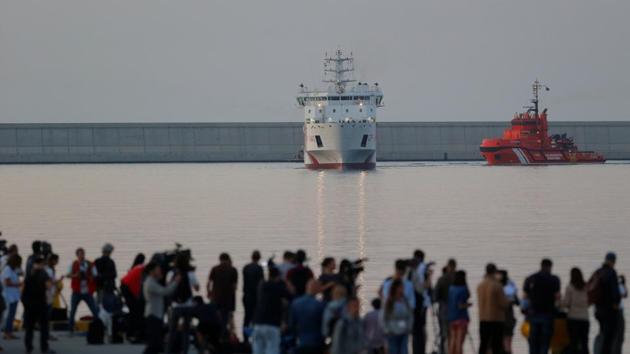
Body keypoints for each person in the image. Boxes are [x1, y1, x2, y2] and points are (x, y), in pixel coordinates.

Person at [523, 258, 561, 354]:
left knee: (533, 341)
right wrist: (558, 309)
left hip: (533, 314)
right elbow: (557, 297)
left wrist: (524, 309)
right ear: (550, 267)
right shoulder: (554, 279)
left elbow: (525, 297)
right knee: (545, 342)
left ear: (541, 266)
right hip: (547, 314)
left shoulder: (530, 278)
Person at [251, 266, 292, 354]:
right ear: (278, 276)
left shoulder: (261, 286)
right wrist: (287, 284)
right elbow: (291, 296)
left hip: (258, 323)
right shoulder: (278, 288)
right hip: (272, 325)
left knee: (257, 350)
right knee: (272, 350)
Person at [143, 261, 181, 354]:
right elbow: (166, 291)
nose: (160, 271)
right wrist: (176, 281)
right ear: (152, 271)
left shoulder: (152, 281)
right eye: (157, 269)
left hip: (155, 315)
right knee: (154, 344)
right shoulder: (150, 283)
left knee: (156, 344)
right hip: (153, 315)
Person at [166, 251, 200, 354]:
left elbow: (168, 287)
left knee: (172, 331)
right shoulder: (191, 273)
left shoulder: (172, 273)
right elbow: (197, 288)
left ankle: (170, 351)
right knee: (186, 331)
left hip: (175, 306)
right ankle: (185, 351)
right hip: (188, 306)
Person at [21, 256, 54, 354]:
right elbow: (48, 286)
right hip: (40, 303)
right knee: (44, 327)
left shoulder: (28, 273)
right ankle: (44, 348)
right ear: (42, 263)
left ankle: (28, 348)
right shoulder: (44, 273)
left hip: (29, 304)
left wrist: (24, 302)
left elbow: (22, 289)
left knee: (29, 328)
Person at [591, 252, 622, 354]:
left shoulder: (598, 272)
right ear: (613, 261)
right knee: (609, 337)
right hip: (609, 311)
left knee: (602, 333)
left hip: (598, 310)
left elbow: (589, 288)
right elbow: (615, 292)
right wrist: (616, 304)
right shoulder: (611, 272)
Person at [477, 263, 507, 354]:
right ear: (494, 272)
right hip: (496, 319)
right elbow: (503, 303)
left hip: (483, 318)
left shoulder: (480, 285)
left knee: (483, 343)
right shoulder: (497, 285)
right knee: (496, 345)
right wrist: (509, 301)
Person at [67, 248, 99, 333]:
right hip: (76, 291)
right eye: (80, 254)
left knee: (94, 310)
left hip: (87, 291)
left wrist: (89, 276)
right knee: (73, 310)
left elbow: (95, 275)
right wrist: (76, 275)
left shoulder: (90, 264)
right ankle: (70, 329)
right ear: (77, 255)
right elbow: (68, 275)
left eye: (83, 254)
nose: (82, 256)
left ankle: (99, 327)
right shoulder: (73, 264)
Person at [290, 279, 325, 354]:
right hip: (316, 342)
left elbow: (291, 324)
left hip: (300, 342)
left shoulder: (296, 303)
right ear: (317, 288)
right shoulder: (320, 305)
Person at [380, 279, 414, 354]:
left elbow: (410, 315)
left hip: (404, 332)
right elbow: (383, 317)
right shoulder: (389, 302)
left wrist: (409, 327)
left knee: (404, 351)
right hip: (392, 333)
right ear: (395, 288)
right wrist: (386, 330)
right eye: (401, 287)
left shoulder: (405, 301)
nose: (402, 289)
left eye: (402, 287)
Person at [207, 253, 238, 331]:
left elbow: (209, 283)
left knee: (217, 317)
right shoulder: (233, 270)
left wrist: (209, 293)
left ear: (220, 259)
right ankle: (231, 336)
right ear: (228, 259)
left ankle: (218, 335)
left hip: (216, 298)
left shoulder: (214, 269)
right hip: (228, 299)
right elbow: (234, 286)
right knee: (230, 317)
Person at [562, 267, 589, 354]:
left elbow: (566, 304)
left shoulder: (570, 287)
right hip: (585, 319)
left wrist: (558, 301)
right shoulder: (586, 287)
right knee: (584, 343)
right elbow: (589, 301)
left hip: (573, 319)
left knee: (573, 343)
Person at [434, 259, 456, 354]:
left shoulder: (441, 279)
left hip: (443, 309)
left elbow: (435, 296)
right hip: (456, 310)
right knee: (453, 334)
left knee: (443, 334)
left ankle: (443, 351)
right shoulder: (457, 278)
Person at [120, 258, 145, 342]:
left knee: (134, 311)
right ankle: (131, 333)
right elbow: (139, 286)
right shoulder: (144, 270)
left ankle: (132, 333)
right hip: (127, 288)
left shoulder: (139, 267)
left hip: (125, 285)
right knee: (135, 312)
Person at [410, 250, 430, 354]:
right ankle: (421, 349)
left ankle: (415, 350)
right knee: (421, 328)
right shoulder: (423, 269)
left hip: (412, 304)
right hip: (422, 302)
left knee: (415, 330)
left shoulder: (411, 271)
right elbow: (426, 287)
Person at [447, 270, 470, 354]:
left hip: (451, 318)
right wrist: (468, 305)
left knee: (453, 340)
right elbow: (460, 305)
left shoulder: (451, 288)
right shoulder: (463, 289)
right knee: (459, 342)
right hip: (461, 318)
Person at [2, 254, 22, 340]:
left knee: (12, 315)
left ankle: (10, 332)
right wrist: (19, 284)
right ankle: (7, 333)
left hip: (14, 295)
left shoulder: (13, 270)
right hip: (8, 296)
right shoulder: (7, 269)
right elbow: (7, 282)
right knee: (9, 315)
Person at [243, 250, 264, 330]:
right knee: (255, 317)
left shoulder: (246, 267)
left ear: (251, 257)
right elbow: (261, 283)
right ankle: (254, 335)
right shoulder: (259, 268)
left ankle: (245, 336)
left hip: (246, 295)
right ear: (259, 258)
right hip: (255, 296)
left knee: (247, 317)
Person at [499, 269, 519, 354]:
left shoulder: (496, 287)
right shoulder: (510, 286)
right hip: (509, 318)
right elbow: (517, 302)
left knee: (499, 344)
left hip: (498, 319)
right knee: (508, 344)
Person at [612, 274, 627, 354]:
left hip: (614, 312)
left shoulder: (615, 285)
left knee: (617, 336)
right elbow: (625, 294)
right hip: (617, 311)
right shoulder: (616, 286)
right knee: (618, 336)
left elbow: (625, 295)